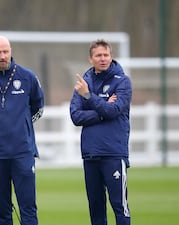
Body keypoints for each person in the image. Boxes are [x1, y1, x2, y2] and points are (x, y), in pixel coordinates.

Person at [0, 35, 44, 225]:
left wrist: (23, 127)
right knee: (2, 210)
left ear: (10, 51)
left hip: (22, 152)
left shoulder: (28, 77)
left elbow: (38, 107)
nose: (2, 56)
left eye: (5, 51)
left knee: (28, 207)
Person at [69, 39, 132, 225]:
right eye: (98, 55)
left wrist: (89, 97)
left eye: (106, 55)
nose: (103, 59)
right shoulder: (84, 83)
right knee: (96, 208)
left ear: (111, 56)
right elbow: (76, 116)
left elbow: (114, 110)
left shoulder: (123, 82)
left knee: (120, 207)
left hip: (113, 153)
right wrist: (103, 110)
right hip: (90, 155)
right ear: (91, 59)